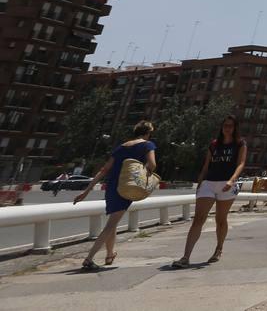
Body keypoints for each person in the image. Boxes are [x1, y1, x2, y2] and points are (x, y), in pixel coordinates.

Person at [73, 120, 157, 271]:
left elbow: (104, 169)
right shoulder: (147, 145)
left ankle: (110, 254)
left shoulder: (121, 147)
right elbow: (152, 164)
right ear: (148, 133)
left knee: (113, 221)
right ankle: (89, 259)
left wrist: (86, 191)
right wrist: (146, 174)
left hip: (112, 186)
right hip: (127, 186)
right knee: (111, 224)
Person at [172, 114, 248, 268]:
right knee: (198, 219)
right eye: (225, 125)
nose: (227, 128)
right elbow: (207, 165)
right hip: (209, 182)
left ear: (235, 128)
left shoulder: (240, 144)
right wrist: (200, 182)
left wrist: (232, 180)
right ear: (221, 127)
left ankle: (219, 249)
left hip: (227, 183)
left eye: (230, 126)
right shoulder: (214, 144)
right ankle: (186, 257)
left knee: (221, 219)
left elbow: (241, 164)